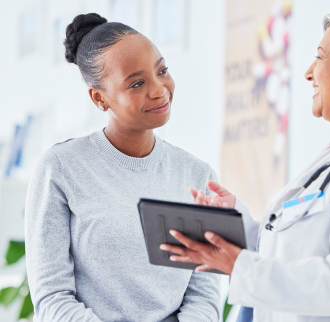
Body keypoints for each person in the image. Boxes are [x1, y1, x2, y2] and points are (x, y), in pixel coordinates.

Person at [161, 4, 330, 321]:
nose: (308, 72)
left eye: (320, 56)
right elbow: (291, 252)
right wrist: (236, 224)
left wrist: (240, 266)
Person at [25, 13, 220, 322]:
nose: (158, 89)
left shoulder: (198, 175)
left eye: (162, 70)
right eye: (137, 83)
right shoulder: (60, 168)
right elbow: (52, 297)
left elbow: (205, 295)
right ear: (99, 98)